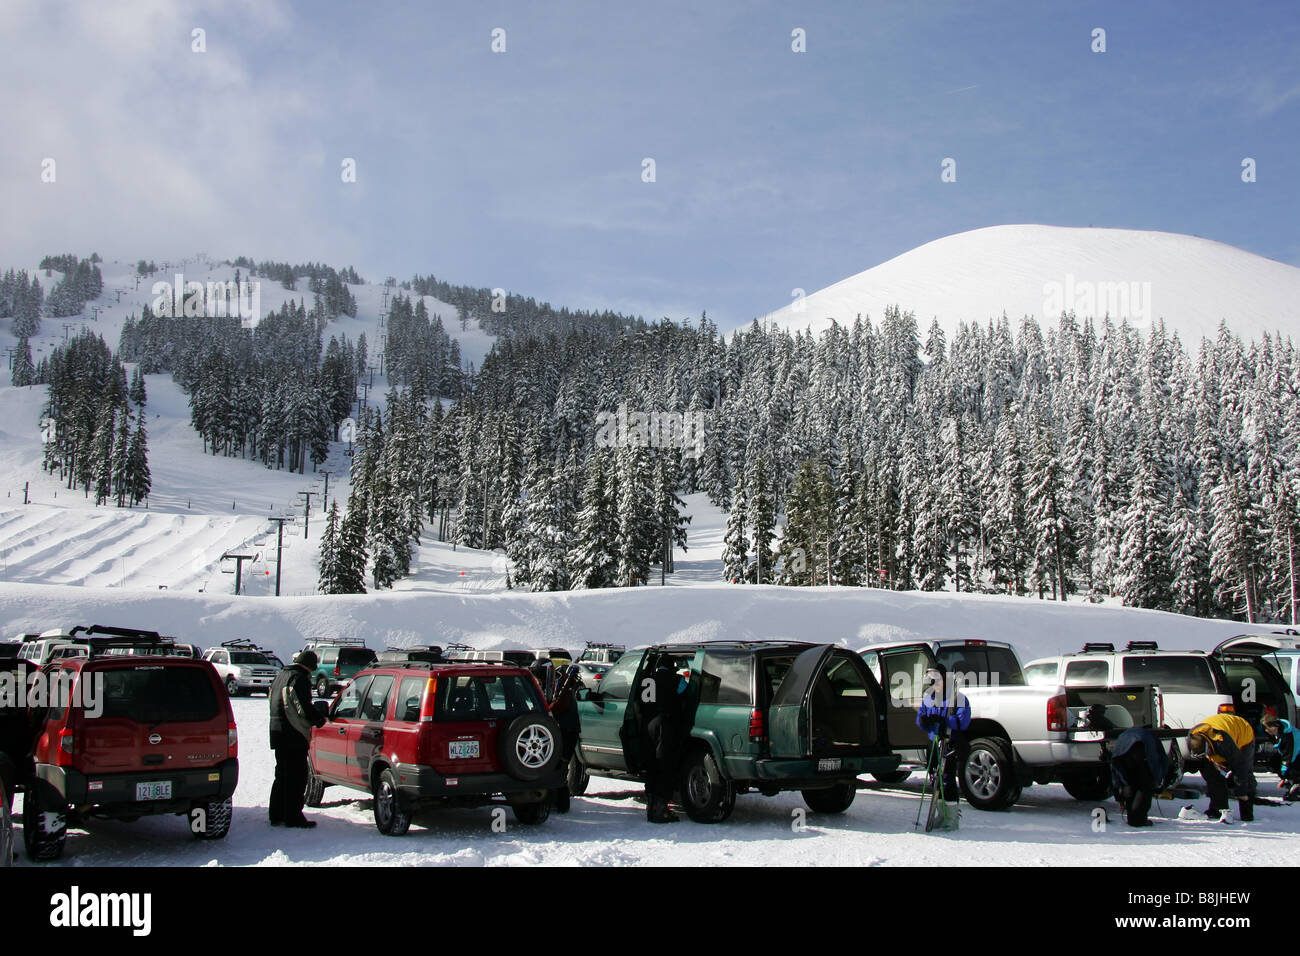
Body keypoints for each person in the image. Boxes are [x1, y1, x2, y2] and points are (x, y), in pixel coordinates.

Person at [268, 650, 327, 828]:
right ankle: (293, 817)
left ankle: (276, 814)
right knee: (297, 776)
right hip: (293, 733)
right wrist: (317, 719)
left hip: (277, 731)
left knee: (281, 775)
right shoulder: (299, 678)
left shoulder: (281, 675)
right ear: (309, 666)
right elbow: (302, 706)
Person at [916, 667, 971, 830]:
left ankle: (952, 817)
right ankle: (941, 814)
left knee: (947, 780)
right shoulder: (929, 698)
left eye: (937, 680)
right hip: (934, 742)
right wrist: (925, 721)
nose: (935, 684)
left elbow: (963, 721)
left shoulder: (957, 698)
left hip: (949, 743)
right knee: (935, 778)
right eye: (932, 681)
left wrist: (945, 721)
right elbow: (920, 718)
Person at [640, 656, 689, 823]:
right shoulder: (677, 680)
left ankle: (651, 807)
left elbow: (642, 701)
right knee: (664, 765)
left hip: (648, 725)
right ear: (672, 666)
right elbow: (687, 694)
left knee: (651, 764)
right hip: (665, 725)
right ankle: (661, 811)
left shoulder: (648, 680)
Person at [1182, 713, 1257, 823]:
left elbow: (1241, 767)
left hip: (1242, 732)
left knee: (1244, 774)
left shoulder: (1223, 743)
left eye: (1206, 754)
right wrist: (1213, 762)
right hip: (1219, 735)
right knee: (1212, 775)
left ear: (1208, 747)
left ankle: (1247, 813)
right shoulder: (1192, 737)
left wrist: (1241, 792)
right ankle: (1218, 809)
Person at [531, 659, 582, 813]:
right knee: (556, 765)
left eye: (537, 675)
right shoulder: (554, 683)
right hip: (562, 729)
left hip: (566, 730)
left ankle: (561, 803)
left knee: (559, 765)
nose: (537, 679)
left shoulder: (560, 684)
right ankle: (557, 800)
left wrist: (546, 711)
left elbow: (558, 706)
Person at [1109, 727, 1169, 827]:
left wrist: (1119, 796)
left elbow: (1116, 775)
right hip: (1138, 750)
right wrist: (1156, 783)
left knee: (1130, 785)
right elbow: (1161, 764)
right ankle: (1138, 820)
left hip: (1124, 751)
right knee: (1144, 786)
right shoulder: (1153, 750)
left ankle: (1134, 818)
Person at [1262, 717, 1300, 802]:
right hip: (1290, 754)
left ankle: (1296, 783)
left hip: (1296, 754)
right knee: (1274, 761)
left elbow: (1290, 755)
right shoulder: (1278, 733)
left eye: (1267, 728)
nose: (1266, 731)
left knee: (1293, 767)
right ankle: (1290, 781)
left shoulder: (1289, 735)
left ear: (1274, 727)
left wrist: (1285, 770)